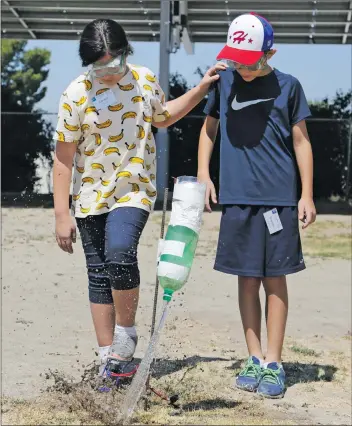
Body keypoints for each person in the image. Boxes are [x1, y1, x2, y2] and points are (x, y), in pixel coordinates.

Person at [53, 18, 225, 377]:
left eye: (114, 63)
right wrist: (61, 215)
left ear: (125, 53)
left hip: (133, 191)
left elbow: (163, 118)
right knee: (98, 275)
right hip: (88, 198)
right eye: (98, 66)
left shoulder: (144, 80)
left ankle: (126, 334)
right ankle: (110, 364)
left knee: (120, 252)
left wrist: (201, 89)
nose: (107, 72)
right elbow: (63, 159)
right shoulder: (74, 95)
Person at [198, 12, 316, 398]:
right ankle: (252, 358)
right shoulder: (223, 79)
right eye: (236, 58)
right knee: (246, 279)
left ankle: (273, 363)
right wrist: (204, 174)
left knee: (274, 279)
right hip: (237, 199)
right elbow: (209, 128)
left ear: (270, 52)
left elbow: (301, 142)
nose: (241, 68)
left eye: (249, 61)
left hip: (278, 200)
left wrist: (306, 194)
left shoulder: (289, 86)